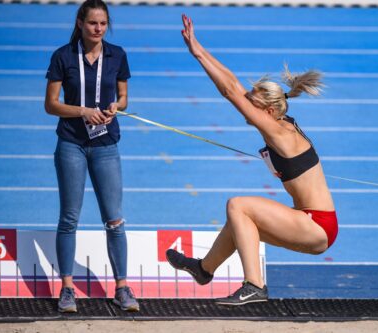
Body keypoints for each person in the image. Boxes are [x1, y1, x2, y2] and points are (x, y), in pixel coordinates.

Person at [166, 15, 338, 306]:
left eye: (254, 107)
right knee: (240, 221)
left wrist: (196, 53)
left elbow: (230, 92)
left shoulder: (278, 131)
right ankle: (203, 269)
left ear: (269, 111)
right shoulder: (283, 123)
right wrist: (199, 47)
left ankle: (255, 285)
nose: (249, 112)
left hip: (316, 224)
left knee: (238, 205)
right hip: (313, 223)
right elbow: (234, 84)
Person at [44, 0, 139, 312]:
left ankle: (122, 288)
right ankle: (67, 289)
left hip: (106, 145)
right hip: (71, 143)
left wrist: (116, 106)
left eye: (102, 23)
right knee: (69, 218)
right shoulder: (63, 56)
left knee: (114, 218)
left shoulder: (117, 55)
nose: (98, 29)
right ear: (80, 23)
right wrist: (82, 111)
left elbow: (124, 98)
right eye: (92, 23)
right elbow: (51, 105)